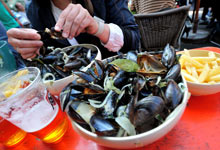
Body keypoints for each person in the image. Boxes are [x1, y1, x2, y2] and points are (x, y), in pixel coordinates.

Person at [7, 0, 140, 59]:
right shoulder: (34, 9)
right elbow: (49, 54)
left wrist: (96, 27)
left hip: (116, 73)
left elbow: (135, 39)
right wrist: (33, 51)